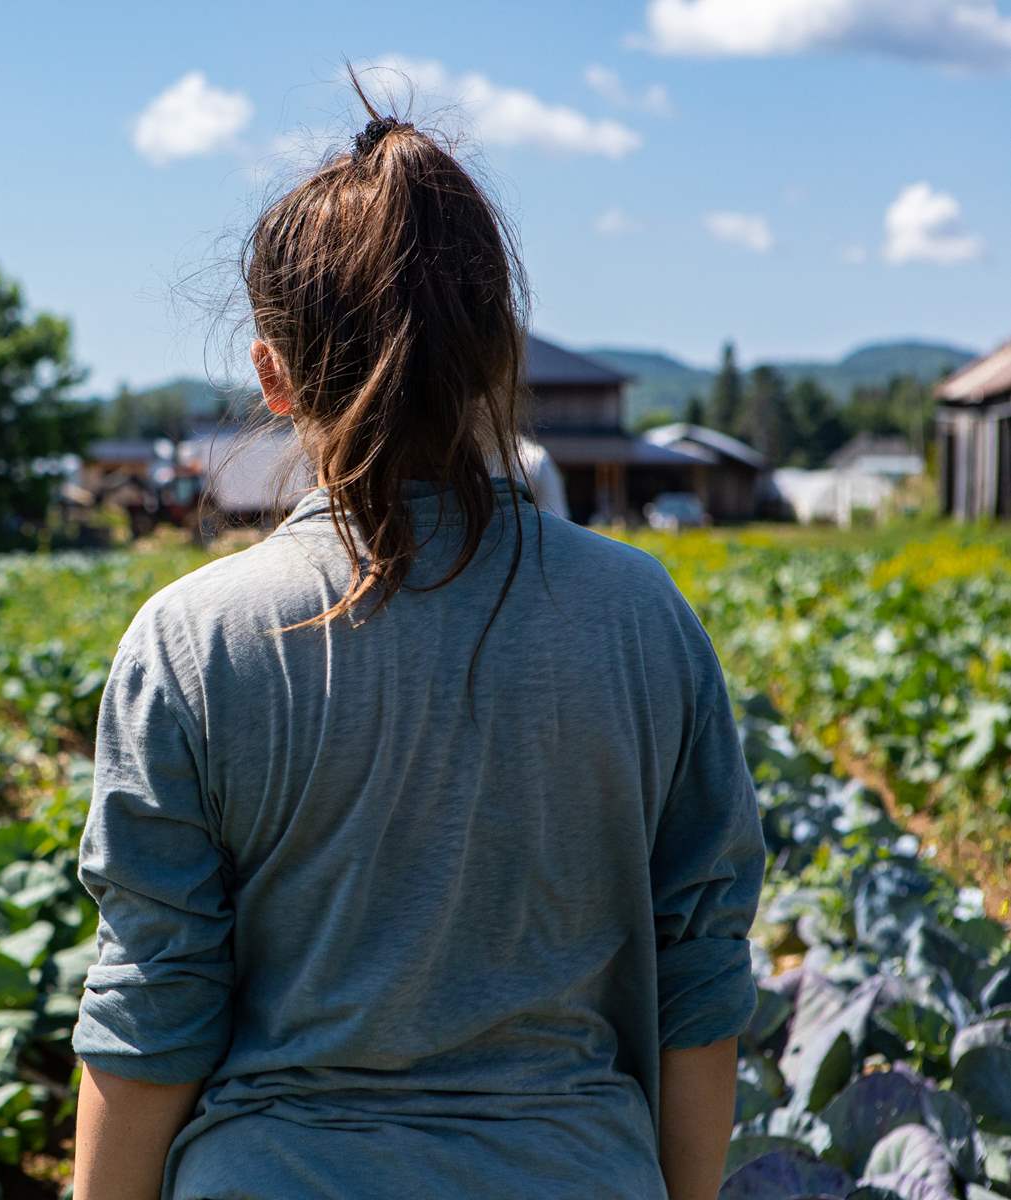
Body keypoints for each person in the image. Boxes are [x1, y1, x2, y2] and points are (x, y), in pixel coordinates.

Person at [69, 89, 765, 1200]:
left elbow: (152, 1003)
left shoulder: (195, 640)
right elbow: (699, 987)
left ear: (271, 375)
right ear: (498, 354)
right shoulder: (639, 617)